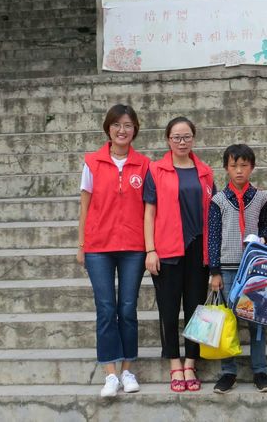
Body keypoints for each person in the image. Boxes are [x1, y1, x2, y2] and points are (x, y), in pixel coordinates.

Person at [77, 104, 150, 398]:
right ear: (108, 128)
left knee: (128, 309)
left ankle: (128, 370)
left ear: (135, 130)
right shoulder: (92, 162)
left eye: (128, 125)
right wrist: (82, 244)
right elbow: (84, 205)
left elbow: (149, 209)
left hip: (133, 247)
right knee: (106, 309)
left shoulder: (144, 165)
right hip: (99, 247)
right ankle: (109, 373)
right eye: (117, 124)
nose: (123, 130)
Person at [143, 116, 214, 392]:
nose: (182, 142)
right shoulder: (156, 170)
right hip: (167, 248)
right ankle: (174, 363)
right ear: (168, 140)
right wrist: (150, 249)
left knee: (196, 308)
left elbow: (213, 213)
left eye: (186, 137)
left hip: (198, 249)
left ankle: (191, 362)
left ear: (193, 139)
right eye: (176, 138)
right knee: (169, 309)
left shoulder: (204, 171)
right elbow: (149, 213)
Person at [208, 144, 267, 394]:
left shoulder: (261, 198)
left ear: (252, 167)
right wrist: (214, 271)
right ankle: (228, 372)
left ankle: (260, 370)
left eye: (244, 165)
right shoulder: (218, 200)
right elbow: (213, 237)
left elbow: (266, 228)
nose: (239, 170)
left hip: (254, 270)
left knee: (257, 322)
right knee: (229, 322)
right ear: (226, 168)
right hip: (226, 269)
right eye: (234, 165)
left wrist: (263, 240)